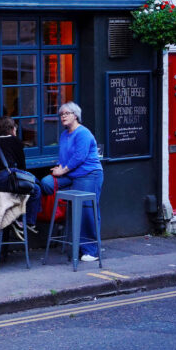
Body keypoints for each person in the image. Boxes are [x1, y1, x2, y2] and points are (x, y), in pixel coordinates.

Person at [39, 102, 104, 262]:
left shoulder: (83, 133)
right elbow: (66, 157)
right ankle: (60, 221)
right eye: (61, 114)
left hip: (88, 174)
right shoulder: (64, 135)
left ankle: (91, 250)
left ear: (75, 115)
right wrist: (59, 168)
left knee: (86, 211)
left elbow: (79, 157)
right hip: (71, 174)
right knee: (46, 183)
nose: (63, 117)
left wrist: (63, 170)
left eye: (66, 113)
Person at [0, 116, 42, 237]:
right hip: (5, 181)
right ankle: (27, 223)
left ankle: (13, 219)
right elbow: (22, 167)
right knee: (36, 190)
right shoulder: (15, 141)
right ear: (12, 128)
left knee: (34, 183)